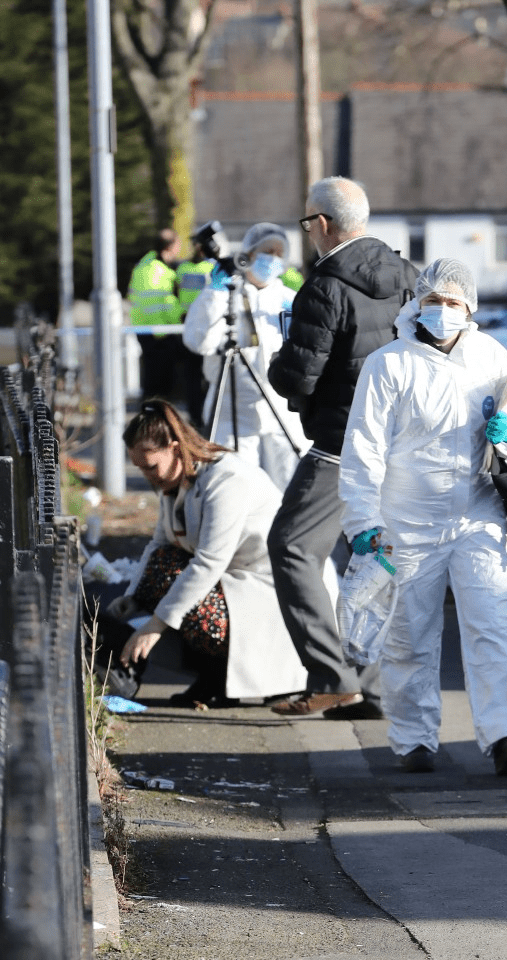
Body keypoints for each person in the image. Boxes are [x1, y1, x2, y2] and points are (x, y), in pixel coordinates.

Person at [338, 258, 507, 775]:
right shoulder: (389, 365)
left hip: (478, 514)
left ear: (470, 307)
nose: (444, 310)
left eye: (454, 302)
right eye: (435, 301)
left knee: (495, 618)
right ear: (417, 304)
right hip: (407, 521)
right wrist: (364, 523)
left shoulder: (490, 354)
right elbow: (363, 449)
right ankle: (413, 738)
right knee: (410, 632)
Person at [266, 176, 418, 719]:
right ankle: (374, 690)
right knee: (373, 560)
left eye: (308, 222)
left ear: (323, 224)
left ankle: (332, 677)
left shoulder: (325, 286)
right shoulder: (407, 274)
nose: (308, 232)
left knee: (292, 546)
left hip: (341, 444)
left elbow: (299, 378)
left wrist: (275, 363)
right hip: (399, 446)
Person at [105, 399, 307, 708]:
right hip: (234, 582)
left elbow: (209, 562)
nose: (148, 476)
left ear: (175, 448)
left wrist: (154, 626)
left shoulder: (227, 480)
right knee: (164, 568)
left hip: (268, 591)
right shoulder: (176, 477)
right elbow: (159, 545)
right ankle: (214, 676)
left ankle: (220, 676)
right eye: (140, 468)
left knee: (175, 577)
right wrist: (133, 596)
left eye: (151, 466)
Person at [182, 222, 308, 492]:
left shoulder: (290, 300)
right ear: (248, 253)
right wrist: (215, 293)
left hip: (282, 412)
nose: (271, 258)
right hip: (232, 407)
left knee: (289, 485)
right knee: (233, 488)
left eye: (278, 252)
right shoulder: (227, 294)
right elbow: (198, 341)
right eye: (266, 251)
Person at [127, 228, 183, 400]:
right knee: (160, 385)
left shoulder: (144, 265)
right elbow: (159, 303)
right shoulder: (158, 271)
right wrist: (179, 321)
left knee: (150, 379)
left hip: (144, 329)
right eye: (178, 244)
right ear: (170, 247)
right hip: (160, 332)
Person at [176, 238, 214, 428]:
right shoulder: (212, 268)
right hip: (206, 329)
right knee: (205, 376)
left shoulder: (183, 269)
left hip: (190, 328)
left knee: (194, 376)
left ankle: (197, 416)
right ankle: (202, 417)